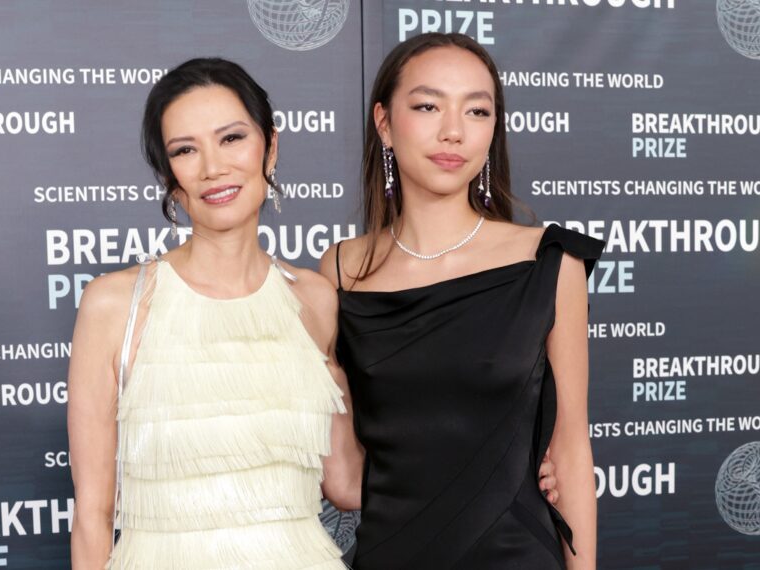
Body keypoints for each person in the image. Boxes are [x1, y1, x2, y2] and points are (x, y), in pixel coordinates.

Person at [66, 57, 363, 570]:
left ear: (271, 146)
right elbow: (93, 514)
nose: (212, 168)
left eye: (231, 139)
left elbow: (345, 483)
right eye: (186, 149)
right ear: (168, 174)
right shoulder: (115, 304)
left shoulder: (314, 298)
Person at [320, 33, 603, 569]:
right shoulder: (340, 270)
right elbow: (347, 480)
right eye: (427, 106)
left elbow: (570, 451)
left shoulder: (548, 262)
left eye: (477, 111)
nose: (453, 131)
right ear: (384, 122)